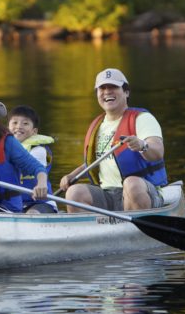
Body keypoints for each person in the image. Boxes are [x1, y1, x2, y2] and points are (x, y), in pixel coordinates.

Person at [58, 68, 167, 212]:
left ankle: (135, 228)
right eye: (102, 88)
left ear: (126, 92)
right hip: (108, 194)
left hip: (143, 190)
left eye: (113, 87)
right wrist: (72, 175)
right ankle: (88, 232)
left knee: (131, 183)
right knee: (73, 193)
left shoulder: (142, 119)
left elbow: (158, 151)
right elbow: (96, 161)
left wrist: (142, 145)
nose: (107, 92)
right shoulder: (98, 125)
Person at [8, 105, 58, 213]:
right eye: (14, 123)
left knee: (32, 214)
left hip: (39, 203)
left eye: (25, 123)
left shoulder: (38, 150)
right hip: (15, 203)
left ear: (34, 131)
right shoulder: (3, 148)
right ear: (8, 127)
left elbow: (27, 167)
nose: (19, 127)